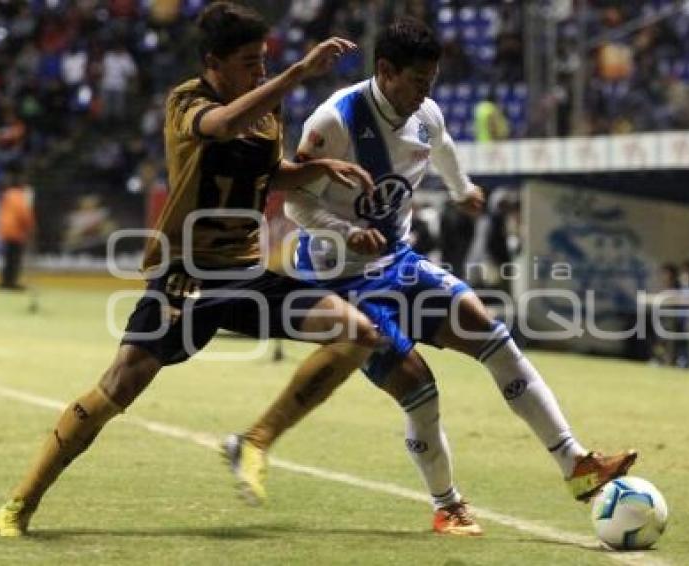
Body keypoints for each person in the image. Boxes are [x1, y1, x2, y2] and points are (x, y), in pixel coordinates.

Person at [223, 18, 637, 536]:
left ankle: (577, 466)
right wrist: (343, 230)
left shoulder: (427, 112)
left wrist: (461, 188)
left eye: (432, 82)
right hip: (338, 280)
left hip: (397, 262)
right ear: (385, 71)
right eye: (418, 82)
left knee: (493, 335)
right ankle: (448, 505)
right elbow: (297, 201)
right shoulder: (336, 121)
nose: (426, 94)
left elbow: (440, 147)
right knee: (421, 390)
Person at [0, 2, 389, 537]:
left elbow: (267, 177)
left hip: (246, 274)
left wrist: (315, 170)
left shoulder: (267, 114)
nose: (262, 71)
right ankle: (21, 503)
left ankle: (254, 440)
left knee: (357, 332)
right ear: (213, 63)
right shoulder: (187, 100)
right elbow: (222, 127)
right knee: (117, 388)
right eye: (250, 62)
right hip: (187, 277)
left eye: (266, 61)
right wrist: (299, 74)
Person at [0, 172, 35, 290]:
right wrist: (31, 226)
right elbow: (23, 212)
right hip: (16, 230)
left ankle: (5, 280)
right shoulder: (20, 196)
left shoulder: (7, 194)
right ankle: (11, 282)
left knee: (8, 257)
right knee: (15, 257)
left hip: (5, 229)